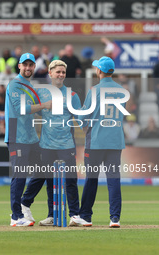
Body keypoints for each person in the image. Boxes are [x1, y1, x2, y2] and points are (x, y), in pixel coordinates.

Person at [20, 60, 81, 226]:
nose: (61, 75)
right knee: (49, 181)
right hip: (46, 145)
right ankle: (52, 215)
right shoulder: (41, 93)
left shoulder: (72, 95)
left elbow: (81, 118)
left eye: (63, 72)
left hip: (66, 144)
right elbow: (26, 110)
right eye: (58, 72)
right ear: (50, 73)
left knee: (70, 180)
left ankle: (74, 215)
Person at [72, 56, 128, 228]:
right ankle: (115, 218)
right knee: (113, 180)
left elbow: (83, 116)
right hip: (115, 141)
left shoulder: (94, 90)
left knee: (91, 179)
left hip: (95, 141)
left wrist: (81, 121)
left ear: (100, 71)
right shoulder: (121, 91)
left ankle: (86, 216)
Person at [4, 53, 51, 227]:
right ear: (19, 66)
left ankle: (24, 204)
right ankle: (15, 217)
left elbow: (39, 111)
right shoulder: (15, 84)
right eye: (25, 65)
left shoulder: (29, 86)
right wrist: (44, 105)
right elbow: (22, 108)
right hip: (17, 137)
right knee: (20, 175)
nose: (28, 68)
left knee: (44, 171)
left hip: (31, 138)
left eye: (31, 65)